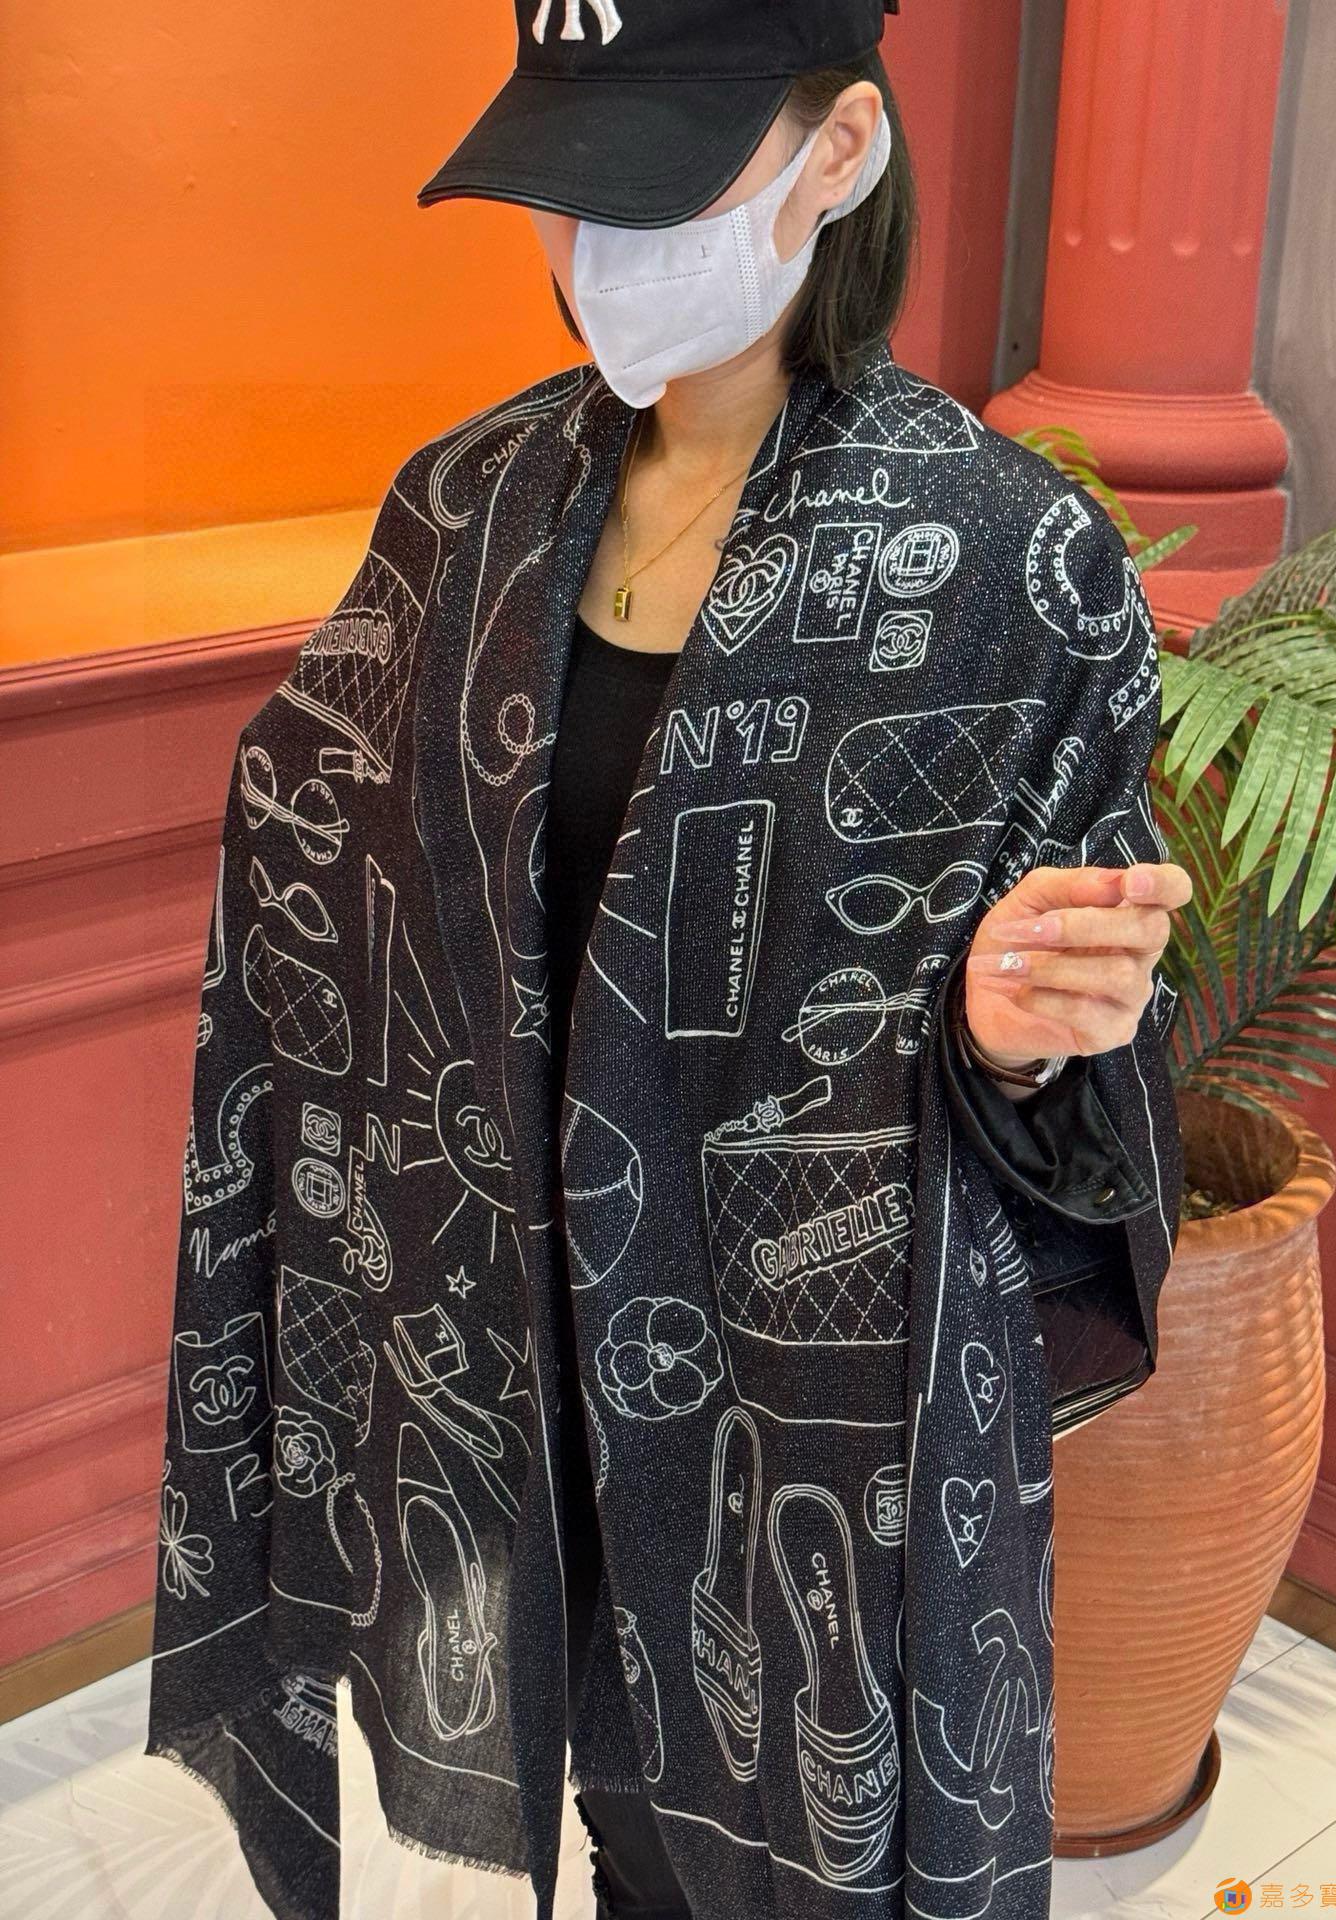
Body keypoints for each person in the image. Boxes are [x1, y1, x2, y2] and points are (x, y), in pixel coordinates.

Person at [145, 4, 1191, 1919]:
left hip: (808, 1413)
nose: (596, 251)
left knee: (809, 1837)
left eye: (658, 189)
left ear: (841, 152)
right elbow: (327, 867)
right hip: (513, 1348)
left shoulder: (1007, 567)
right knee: (619, 1810)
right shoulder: (465, 508)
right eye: (567, 192)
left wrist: (1015, 1037)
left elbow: (1093, 1063)